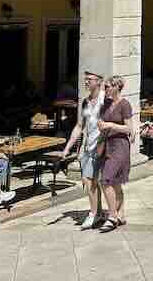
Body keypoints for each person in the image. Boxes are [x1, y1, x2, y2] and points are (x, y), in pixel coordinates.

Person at [60, 70, 105, 228]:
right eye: (85, 80)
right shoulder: (86, 102)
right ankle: (96, 212)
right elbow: (80, 126)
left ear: (99, 81)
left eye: (89, 79)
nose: (86, 82)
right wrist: (68, 148)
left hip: (102, 145)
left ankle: (99, 213)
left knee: (95, 180)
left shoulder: (105, 100)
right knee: (89, 179)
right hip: (89, 145)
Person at [97, 75, 134, 232]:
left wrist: (111, 125)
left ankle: (112, 216)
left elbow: (129, 129)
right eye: (105, 87)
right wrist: (101, 126)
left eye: (107, 87)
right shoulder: (105, 104)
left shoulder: (124, 104)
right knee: (116, 182)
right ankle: (121, 214)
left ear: (117, 87)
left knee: (106, 180)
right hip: (107, 144)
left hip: (120, 145)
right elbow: (101, 122)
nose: (105, 89)